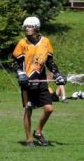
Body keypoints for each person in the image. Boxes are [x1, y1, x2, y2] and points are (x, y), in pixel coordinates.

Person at [13, 16, 64, 147]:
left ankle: (38, 132)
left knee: (49, 108)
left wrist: (57, 74)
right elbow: (15, 63)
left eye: (29, 27)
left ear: (36, 28)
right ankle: (29, 138)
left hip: (41, 81)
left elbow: (50, 62)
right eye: (26, 27)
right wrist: (20, 73)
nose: (27, 29)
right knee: (29, 109)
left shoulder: (46, 42)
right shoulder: (22, 43)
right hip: (27, 82)